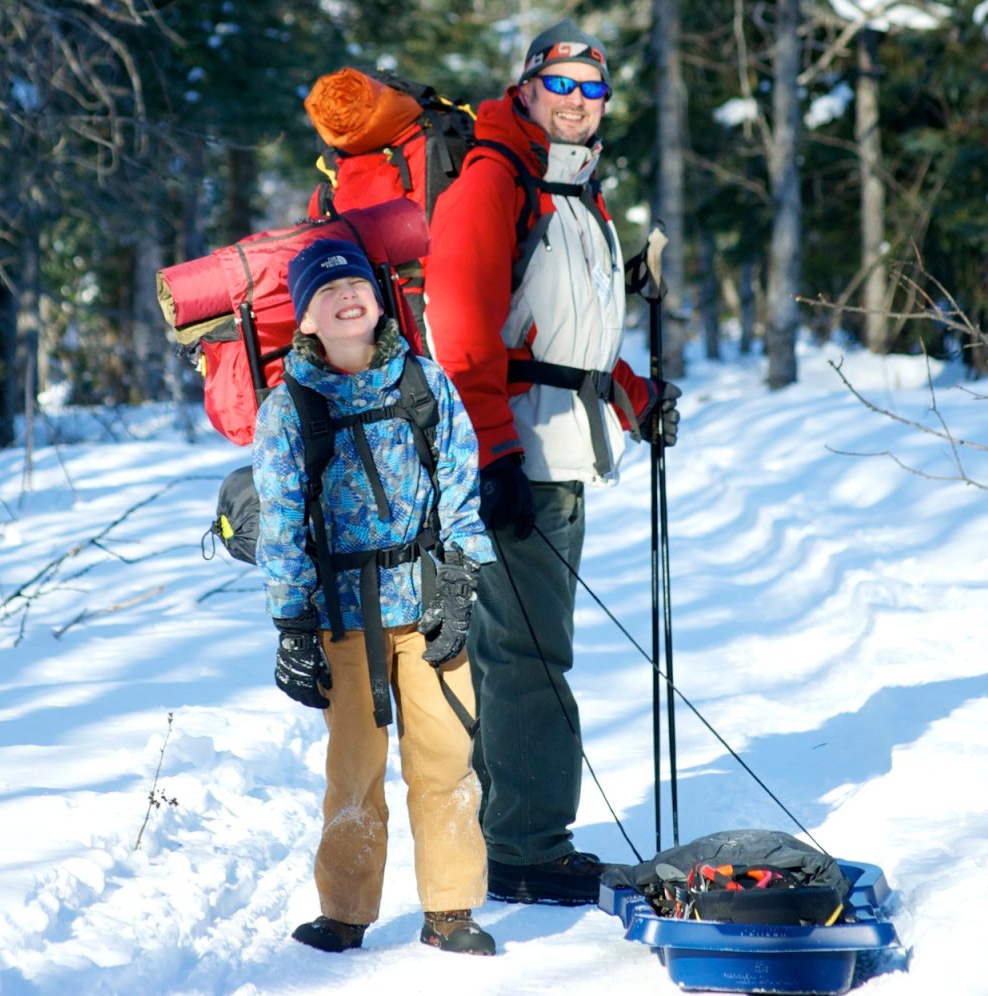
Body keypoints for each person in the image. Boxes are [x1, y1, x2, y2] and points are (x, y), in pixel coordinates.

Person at [423, 19, 682, 906]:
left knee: (522, 649)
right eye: (560, 83)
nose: (577, 100)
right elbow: (459, 334)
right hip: (515, 456)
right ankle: (526, 848)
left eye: (593, 87)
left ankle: (512, 833)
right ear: (526, 88)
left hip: (556, 449)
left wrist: (633, 397)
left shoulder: (572, 190)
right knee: (529, 656)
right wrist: (493, 456)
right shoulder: (493, 181)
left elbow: (566, 334)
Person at [254, 238, 500, 956]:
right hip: (342, 614)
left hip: (426, 601)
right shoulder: (290, 408)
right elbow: (282, 520)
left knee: (446, 758)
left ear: (379, 297)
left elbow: (460, 482)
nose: (345, 298)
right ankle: (346, 910)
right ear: (305, 323)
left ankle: (451, 908)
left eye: (354, 285)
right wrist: (293, 624)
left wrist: (461, 577)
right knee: (353, 772)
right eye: (325, 295)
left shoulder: (423, 383)